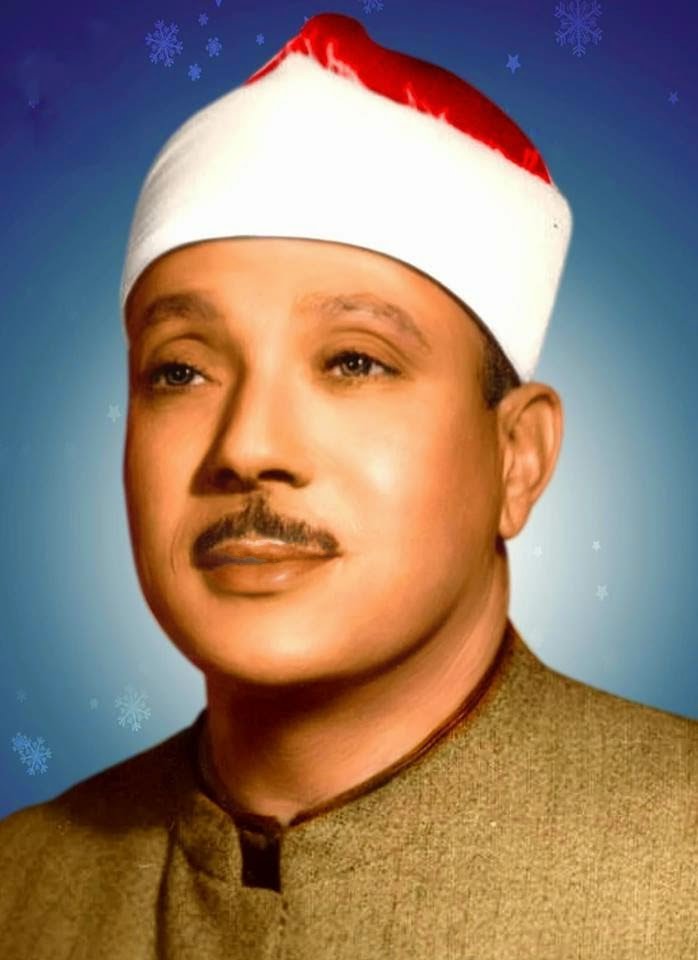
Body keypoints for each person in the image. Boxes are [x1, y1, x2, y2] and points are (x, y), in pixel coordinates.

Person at [1, 12, 695, 959]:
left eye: (355, 362)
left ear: (518, 458)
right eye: (180, 370)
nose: (247, 447)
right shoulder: (22, 884)